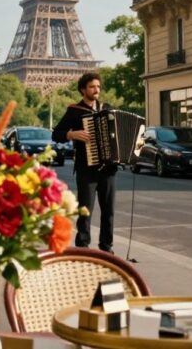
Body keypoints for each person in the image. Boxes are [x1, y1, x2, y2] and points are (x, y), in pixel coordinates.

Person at [53, 72, 115, 253]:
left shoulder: (107, 109)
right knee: (85, 210)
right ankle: (83, 247)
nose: (96, 90)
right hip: (86, 169)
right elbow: (56, 134)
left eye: (98, 86)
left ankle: (106, 248)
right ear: (83, 90)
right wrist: (71, 134)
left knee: (108, 211)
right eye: (92, 87)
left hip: (108, 168)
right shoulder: (75, 111)